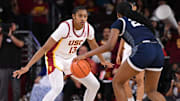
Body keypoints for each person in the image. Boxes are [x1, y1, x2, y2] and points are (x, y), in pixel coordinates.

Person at [13, 6, 110, 101]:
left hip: (71, 58)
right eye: (80, 16)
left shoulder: (88, 29)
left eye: (85, 16)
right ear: (74, 16)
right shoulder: (65, 27)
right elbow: (45, 48)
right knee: (57, 88)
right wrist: (27, 66)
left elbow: (94, 46)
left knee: (94, 85)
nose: (83, 19)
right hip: (55, 58)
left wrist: (102, 61)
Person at [74, 2, 166, 101]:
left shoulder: (120, 21)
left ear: (118, 14)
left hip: (144, 49)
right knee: (151, 91)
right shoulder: (142, 23)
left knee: (117, 82)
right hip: (158, 50)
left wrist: (86, 55)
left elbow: (109, 46)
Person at [0, 23, 24, 101]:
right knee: (2, 89)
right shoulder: (1, 36)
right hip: (3, 66)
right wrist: (1, 34)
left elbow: (21, 44)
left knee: (16, 89)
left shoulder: (18, 35)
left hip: (15, 66)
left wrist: (11, 36)